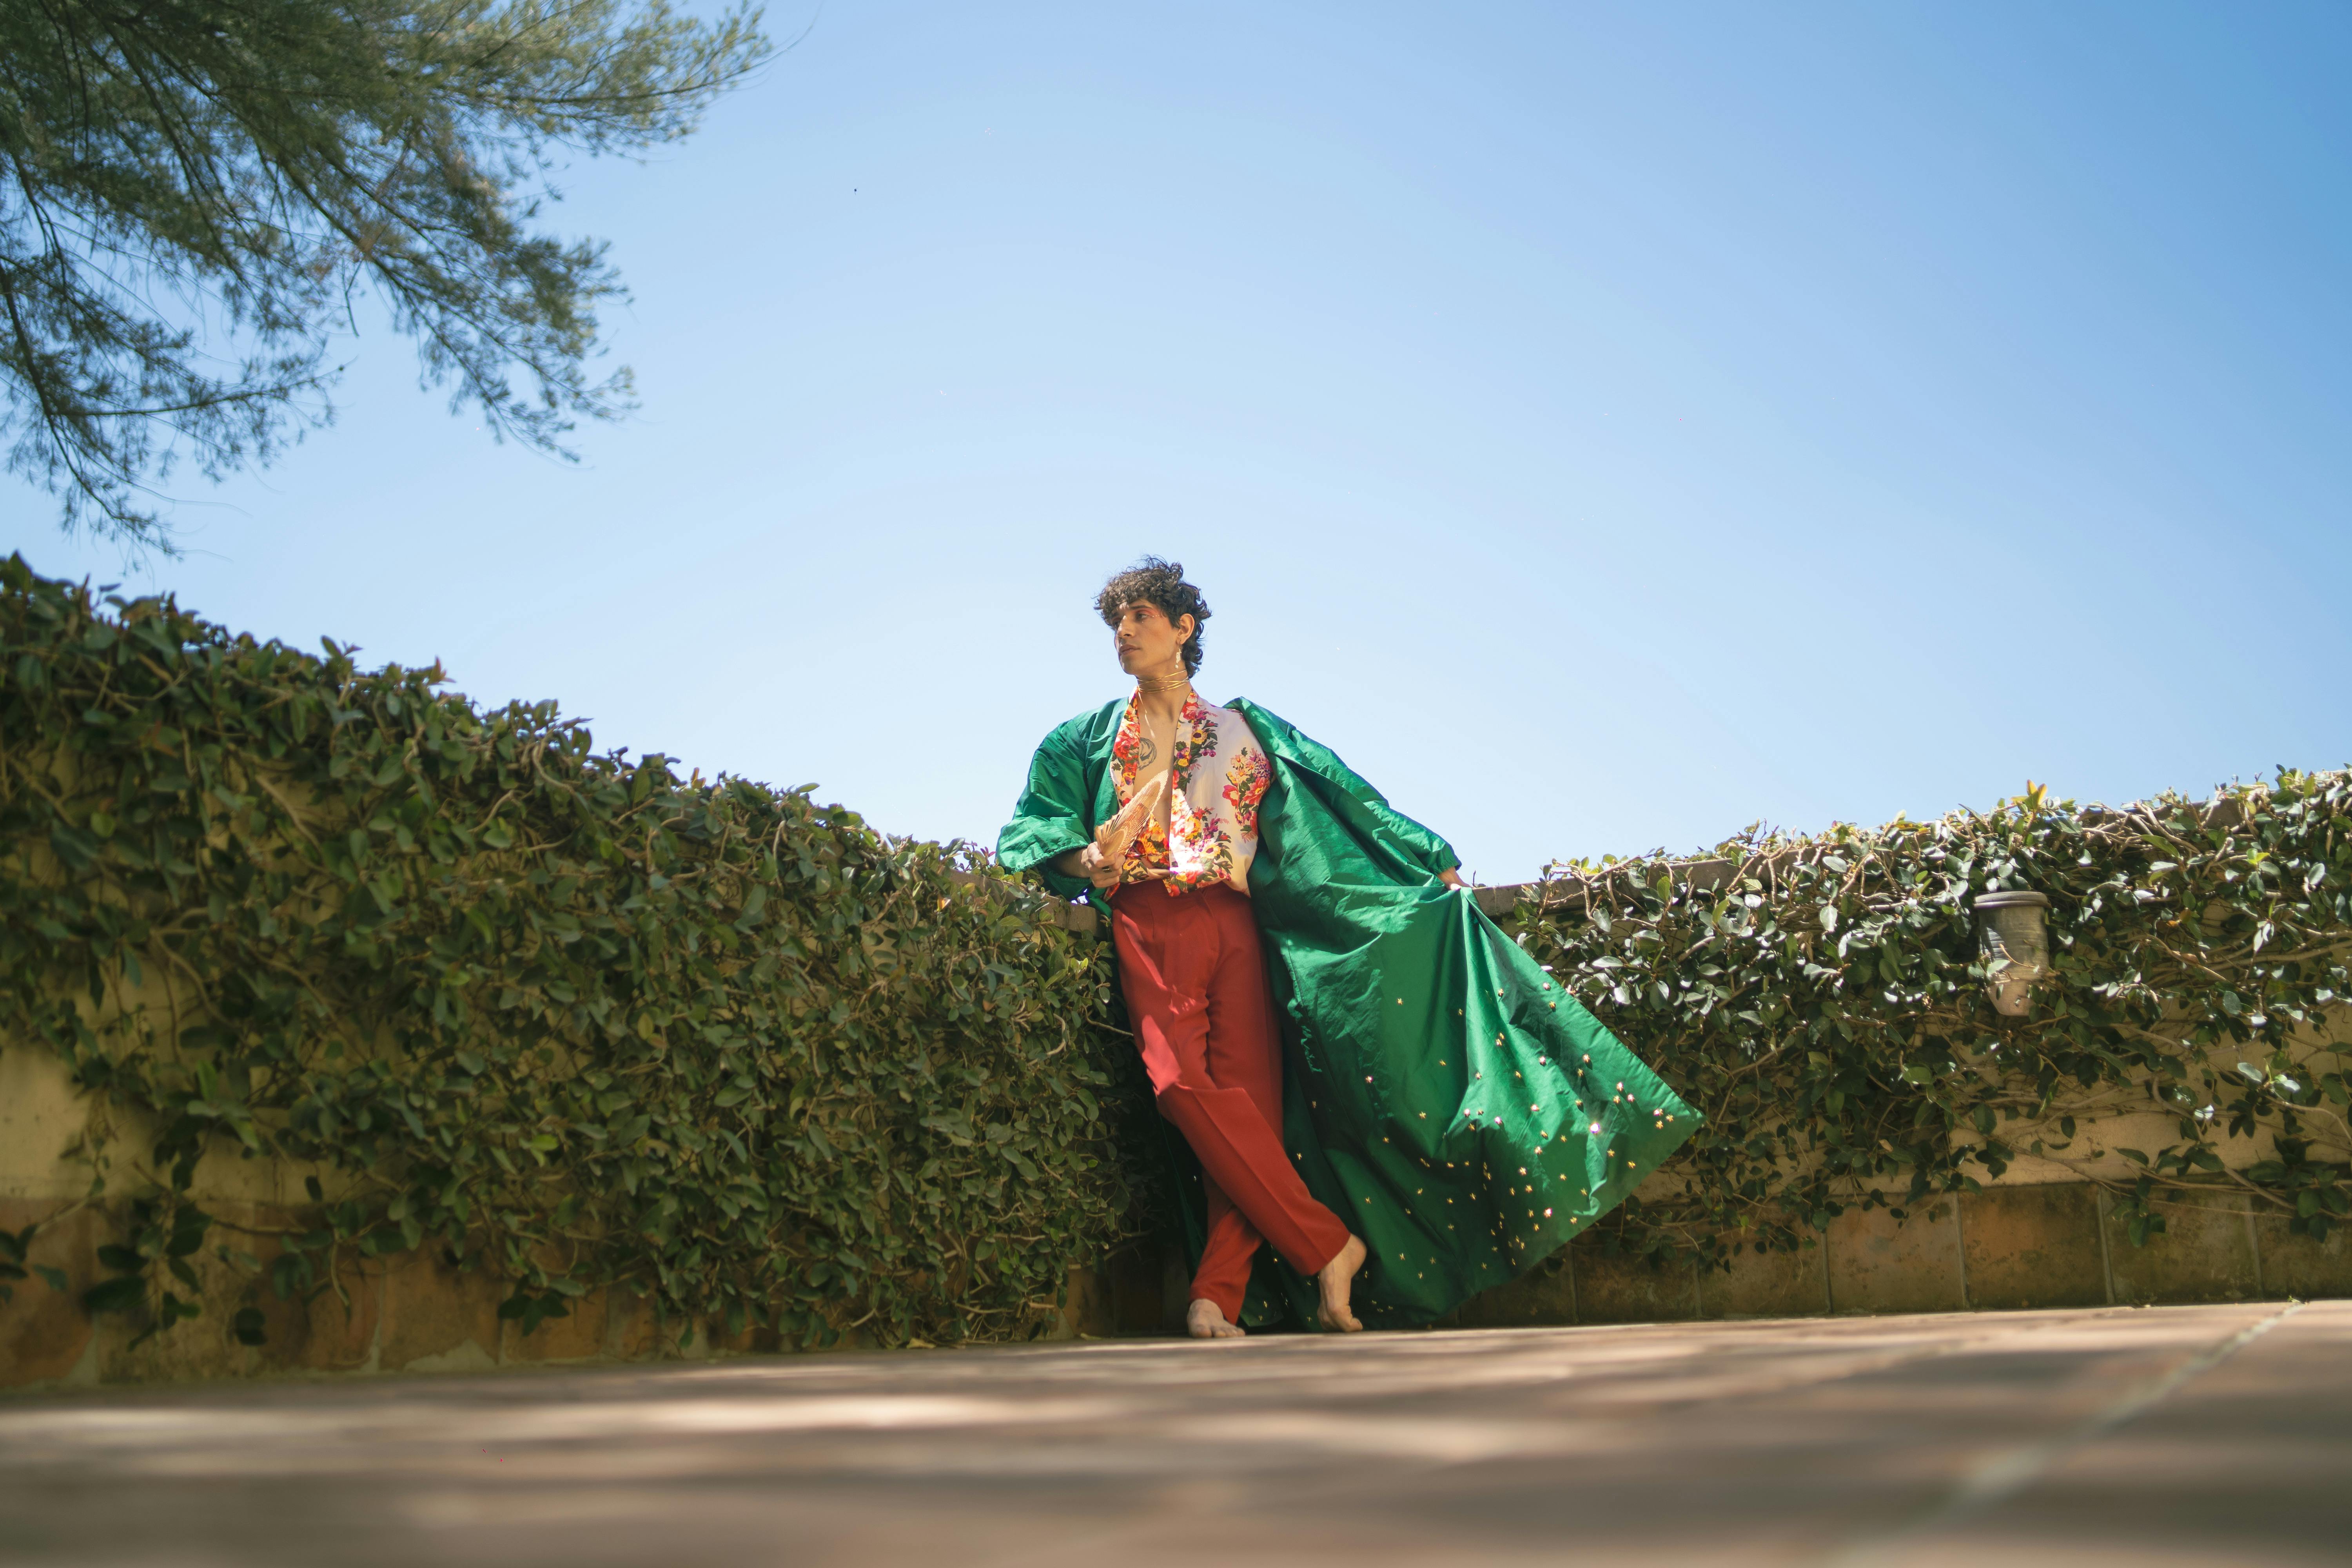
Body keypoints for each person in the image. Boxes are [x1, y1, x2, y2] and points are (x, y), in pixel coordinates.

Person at [998, 559, 1697, 1338]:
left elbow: (1345, 793)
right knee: (1180, 1088)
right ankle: (1328, 1244)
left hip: (1238, 926)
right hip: (1147, 918)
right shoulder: (1083, 739)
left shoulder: (1247, 729)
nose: (1123, 634)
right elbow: (1036, 828)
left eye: (1139, 618)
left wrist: (1427, 853)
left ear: (1183, 627)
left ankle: (1214, 1299)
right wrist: (1086, 861)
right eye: (1116, 623)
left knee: (1252, 1109)